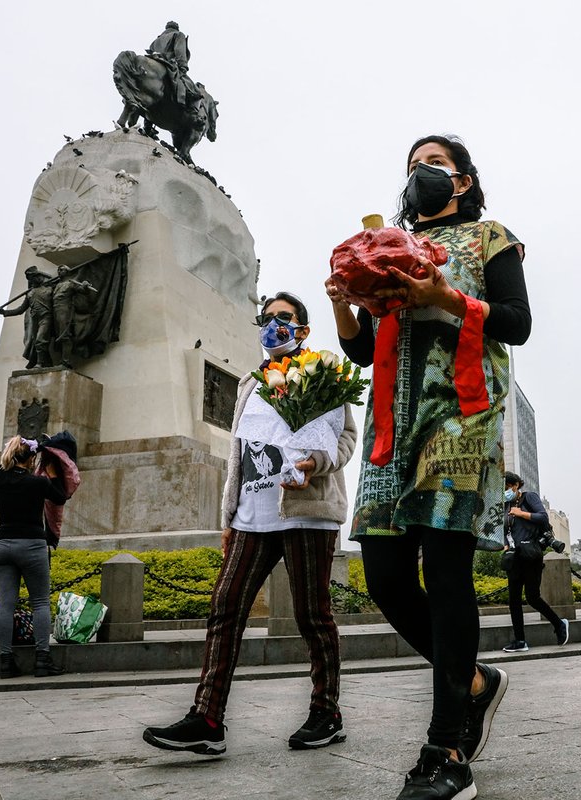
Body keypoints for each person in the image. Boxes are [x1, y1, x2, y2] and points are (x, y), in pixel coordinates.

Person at [328, 134, 531, 800]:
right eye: (413, 166)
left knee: (445, 571)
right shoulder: (388, 246)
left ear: (464, 181)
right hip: (392, 423)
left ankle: (446, 752)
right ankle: (475, 683)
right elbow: (360, 353)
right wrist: (341, 298)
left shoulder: (489, 237)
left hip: (459, 416)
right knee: (385, 575)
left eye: (434, 164)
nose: (421, 175)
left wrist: (444, 299)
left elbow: (516, 322)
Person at [143, 292, 358, 756]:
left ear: (302, 329)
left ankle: (327, 711)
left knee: (311, 615)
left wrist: (316, 462)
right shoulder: (249, 383)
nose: (273, 326)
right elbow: (237, 455)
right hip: (250, 516)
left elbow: (345, 439)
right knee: (225, 604)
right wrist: (227, 517)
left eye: (284, 318)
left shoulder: (323, 372)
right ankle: (208, 718)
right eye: (266, 319)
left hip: (306, 512)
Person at [0, 435, 67, 679]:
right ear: (32, 459)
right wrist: (53, 471)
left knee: (5, 604)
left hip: (2, 544)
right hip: (32, 545)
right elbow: (61, 497)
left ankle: (5, 662)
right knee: (40, 603)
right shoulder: (38, 483)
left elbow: (6, 464)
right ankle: (42, 660)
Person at [500, 472, 568, 653]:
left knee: (532, 596)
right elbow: (506, 530)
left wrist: (521, 513)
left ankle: (559, 624)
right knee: (513, 600)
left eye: (507, 487)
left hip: (531, 554)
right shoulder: (506, 506)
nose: (505, 491)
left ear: (515, 485)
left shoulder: (529, 498)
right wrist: (505, 545)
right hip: (514, 557)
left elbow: (542, 518)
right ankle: (520, 641)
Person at [0, 266, 56, 369]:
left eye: (37, 276)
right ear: (31, 280)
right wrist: (4, 312)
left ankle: (39, 363)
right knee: (36, 342)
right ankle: (47, 363)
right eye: (34, 277)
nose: (37, 278)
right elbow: (20, 310)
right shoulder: (29, 294)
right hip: (35, 319)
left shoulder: (49, 289)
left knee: (40, 340)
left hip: (46, 317)